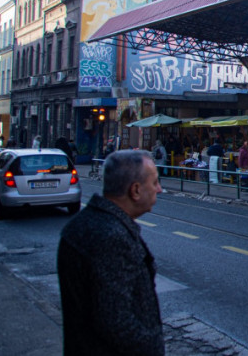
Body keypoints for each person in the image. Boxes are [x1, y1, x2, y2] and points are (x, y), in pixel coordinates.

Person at [57, 150, 165, 356]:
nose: (159, 190)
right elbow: (117, 321)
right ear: (135, 190)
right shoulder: (110, 237)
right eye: (154, 183)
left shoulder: (84, 224)